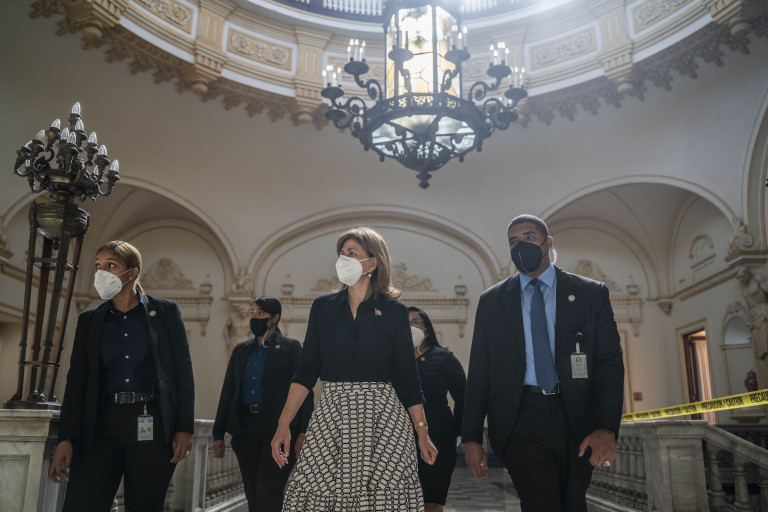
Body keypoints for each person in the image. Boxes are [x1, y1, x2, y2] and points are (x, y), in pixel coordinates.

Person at [463, 215, 624, 512]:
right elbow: (479, 372)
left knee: (573, 503)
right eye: (513, 241)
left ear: (548, 243)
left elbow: (609, 364)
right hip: (520, 418)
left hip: (577, 417)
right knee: (540, 503)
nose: (520, 245)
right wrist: (472, 437)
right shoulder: (493, 301)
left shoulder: (590, 293)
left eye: (529, 237)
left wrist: (607, 427)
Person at [271, 226, 438, 511]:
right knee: (316, 487)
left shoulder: (395, 311)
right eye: (341, 253)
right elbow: (306, 371)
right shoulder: (323, 308)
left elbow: (408, 378)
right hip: (333, 410)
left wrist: (422, 432)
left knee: (383, 497)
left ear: (372, 263)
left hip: (384, 416)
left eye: (351, 253)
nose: (343, 259)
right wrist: (283, 423)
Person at [48, 240, 195, 512]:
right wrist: (65, 438)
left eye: (111, 265)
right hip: (100, 426)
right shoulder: (89, 320)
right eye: (98, 266)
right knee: (82, 505)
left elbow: (182, 371)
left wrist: (184, 428)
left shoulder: (165, 312)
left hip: (151, 425)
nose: (101, 272)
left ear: (132, 272)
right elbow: (77, 380)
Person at [212, 296, 314, 512]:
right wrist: (217, 433)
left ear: (274, 318)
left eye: (260, 313)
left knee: (268, 491)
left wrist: (305, 431)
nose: (254, 317)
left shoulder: (291, 348)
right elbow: (228, 391)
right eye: (252, 312)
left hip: (279, 431)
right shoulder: (240, 350)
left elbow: (304, 392)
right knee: (252, 493)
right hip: (245, 429)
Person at [408, 306, 466, 512]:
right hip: (400, 439)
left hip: (439, 436)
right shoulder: (393, 360)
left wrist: (458, 432)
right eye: (406, 324)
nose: (411, 327)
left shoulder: (443, 358)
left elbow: (463, 397)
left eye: (416, 322)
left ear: (426, 327)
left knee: (431, 500)